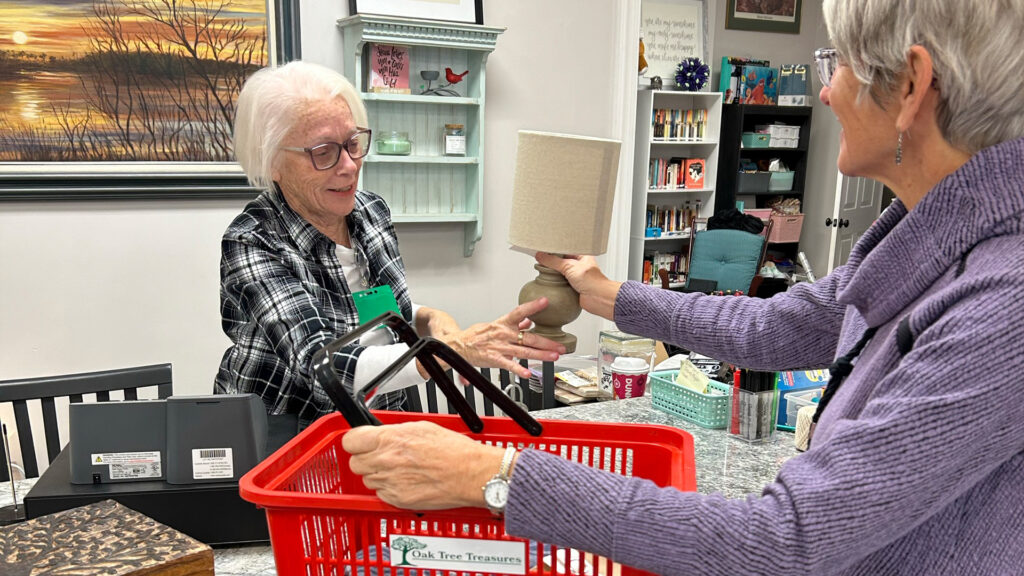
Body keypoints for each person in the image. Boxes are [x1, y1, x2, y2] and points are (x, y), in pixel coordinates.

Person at [341, 0, 1024, 573]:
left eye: (837, 61)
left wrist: (488, 475)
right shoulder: (928, 244)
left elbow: (784, 540)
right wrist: (605, 293)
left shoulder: (1004, 304)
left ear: (910, 85)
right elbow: (775, 329)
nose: (825, 89)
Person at [215, 61, 564, 428]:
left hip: (379, 420)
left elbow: (374, 310)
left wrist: (430, 318)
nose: (349, 166)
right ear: (273, 161)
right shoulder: (253, 240)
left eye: (353, 143)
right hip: (286, 432)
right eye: (323, 152)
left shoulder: (370, 212)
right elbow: (324, 368)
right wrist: (450, 351)